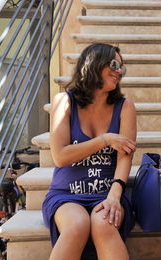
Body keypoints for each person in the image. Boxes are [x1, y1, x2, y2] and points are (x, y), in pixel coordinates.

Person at [42, 43, 137, 260]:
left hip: (108, 192)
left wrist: (115, 196)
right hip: (66, 194)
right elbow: (60, 156)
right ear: (93, 64)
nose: (119, 71)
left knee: (103, 223)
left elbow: (125, 157)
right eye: (113, 64)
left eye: (121, 67)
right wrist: (104, 140)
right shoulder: (64, 102)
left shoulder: (125, 107)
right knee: (77, 224)